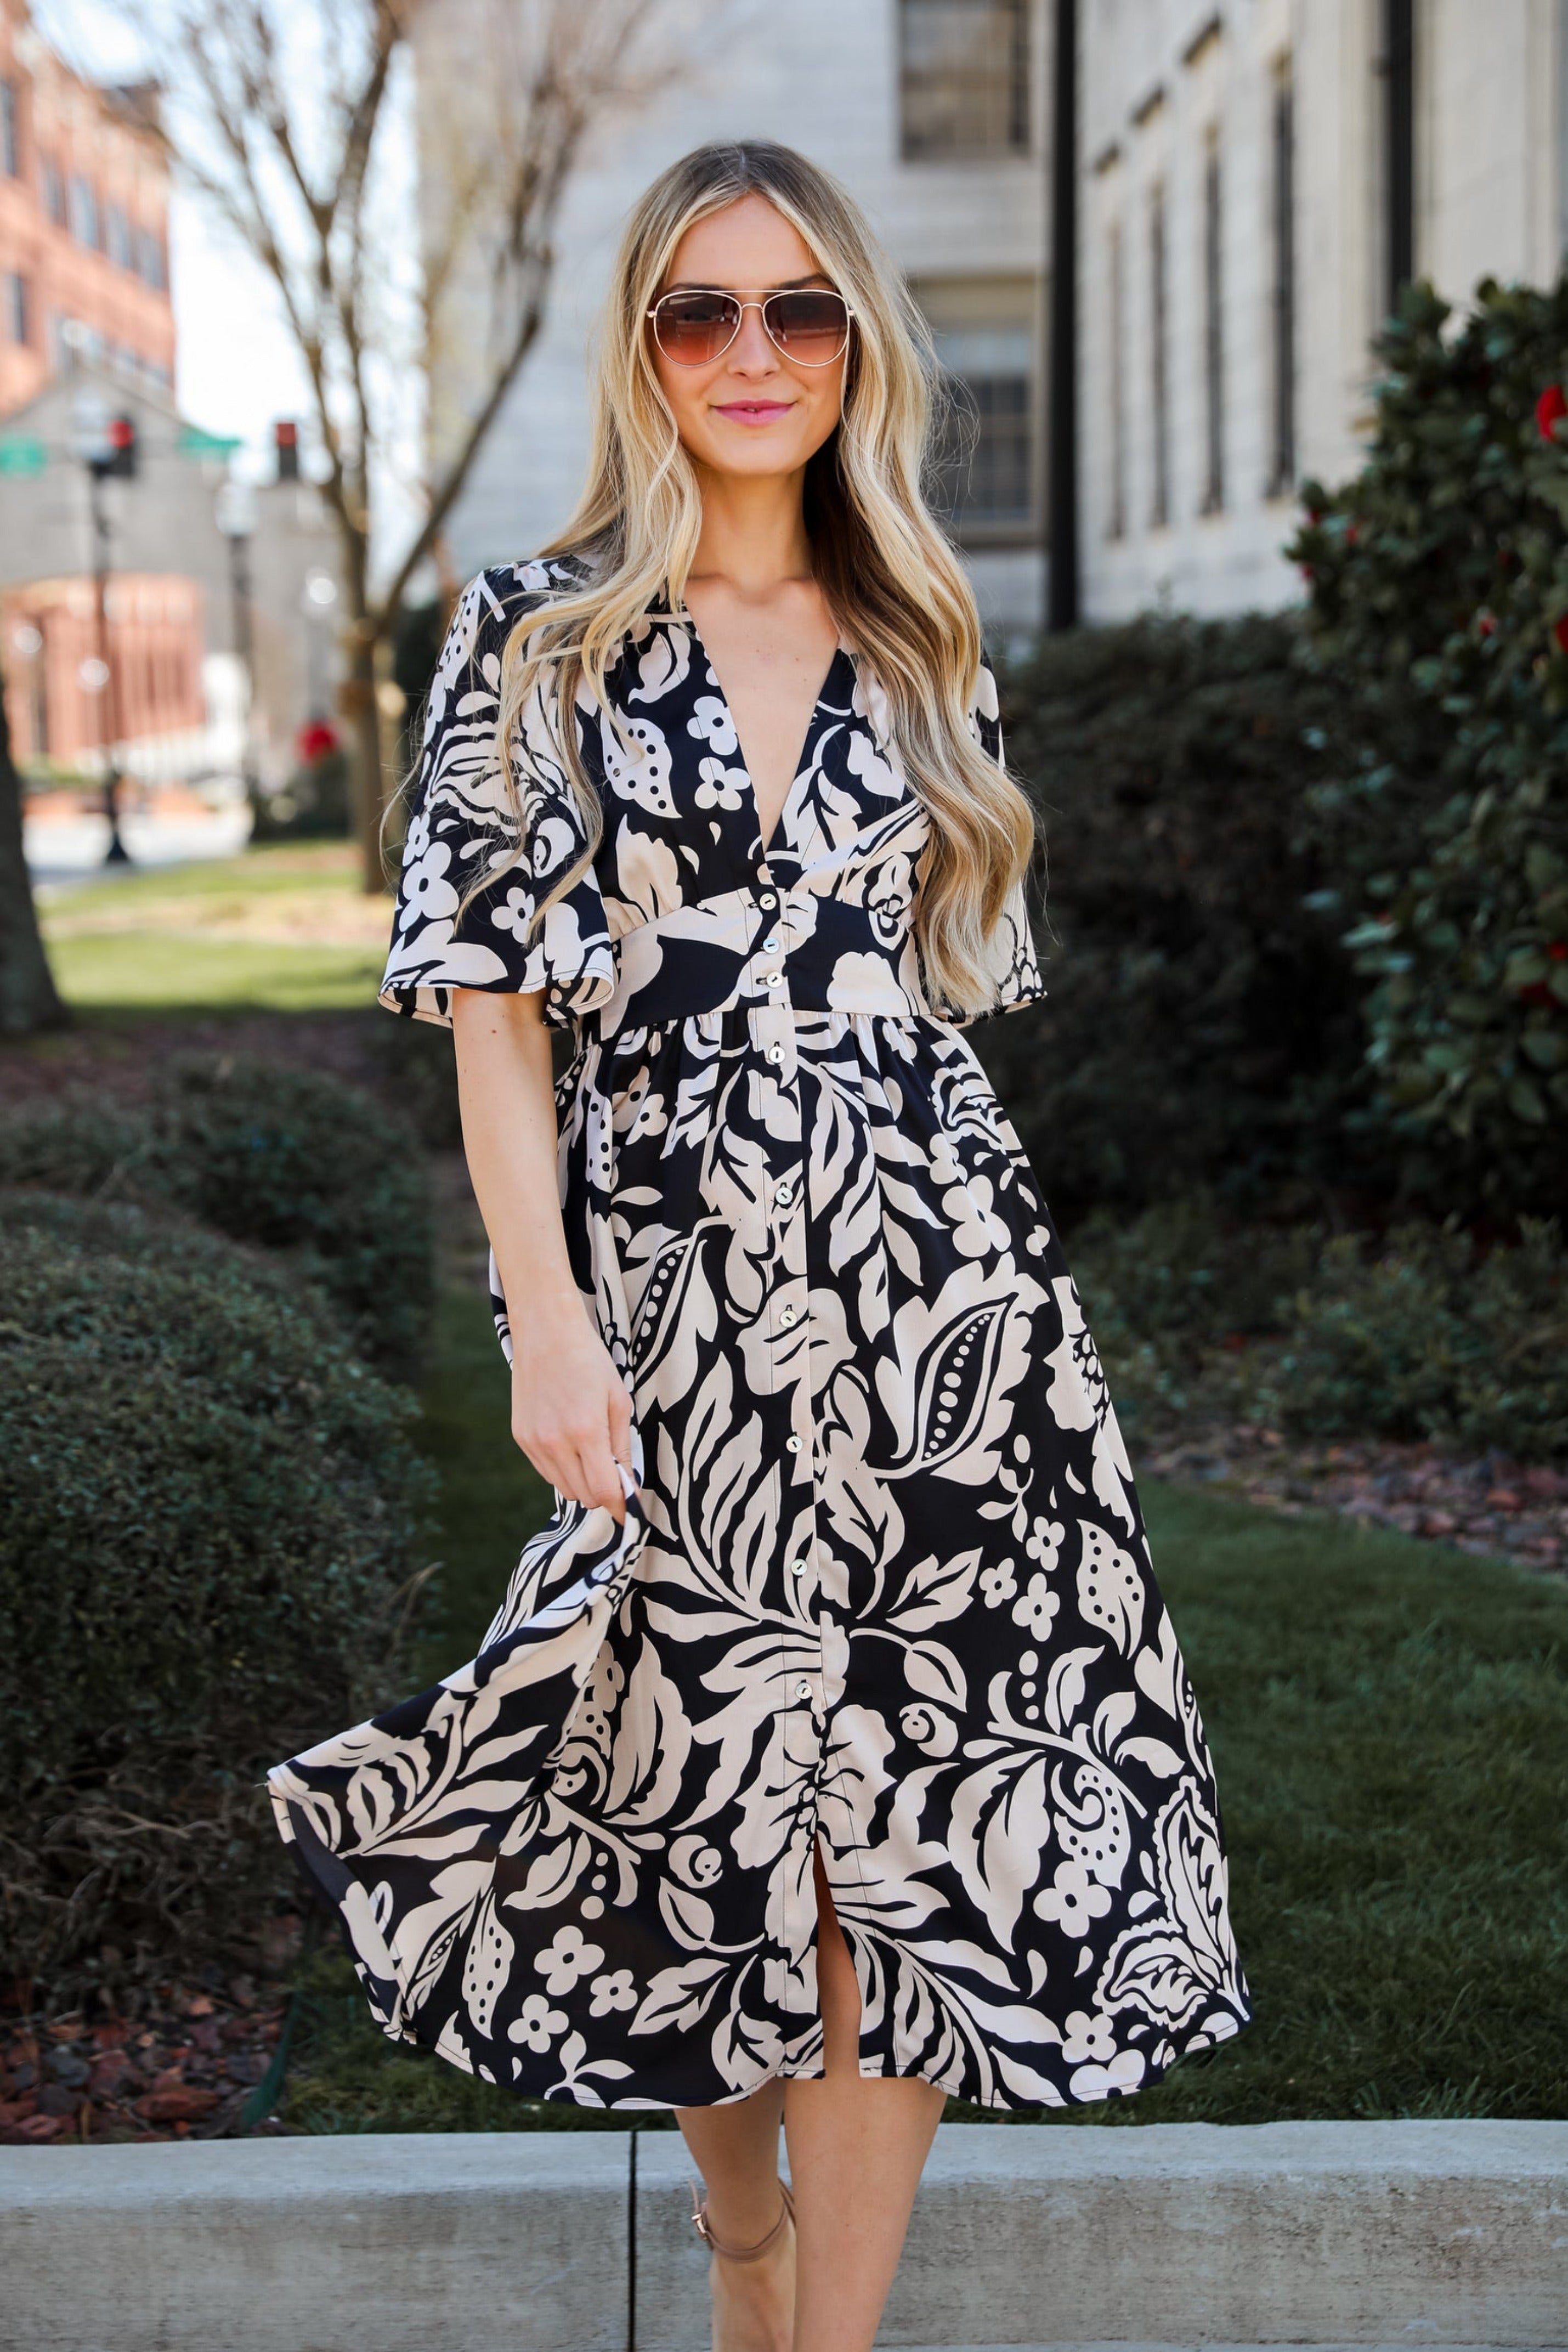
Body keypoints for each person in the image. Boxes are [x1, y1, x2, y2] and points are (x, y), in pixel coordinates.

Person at [269, 139, 1249, 2352]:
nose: (748, 354)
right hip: (669, 1291)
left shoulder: (921, 626)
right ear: (641, 346)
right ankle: (741, 2238)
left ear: (852, 346)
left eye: (796, 310)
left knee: (900, 1844)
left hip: (938, 1316)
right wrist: (541, 1322)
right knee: (682, 1817)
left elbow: (944, 1000)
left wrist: (986, 1312)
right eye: (699, 312)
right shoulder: (535, 631)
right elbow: (491, 1009)